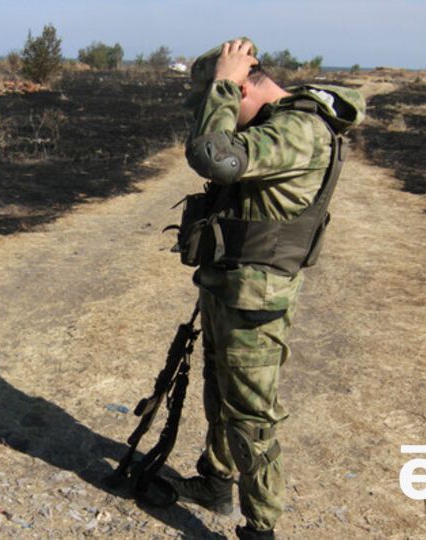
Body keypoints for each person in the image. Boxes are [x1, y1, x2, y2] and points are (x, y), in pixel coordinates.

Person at [168, 39, 365, 539]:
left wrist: (223, 85)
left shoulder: (300, 130)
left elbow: (214, 156)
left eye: (227, 98)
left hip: (256, 298)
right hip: (231, 284)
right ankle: (215, 482)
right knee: (219, 389)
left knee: (251, 416)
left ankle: (261, 527)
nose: (223, 112)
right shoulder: (277, 125)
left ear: (245, 85)